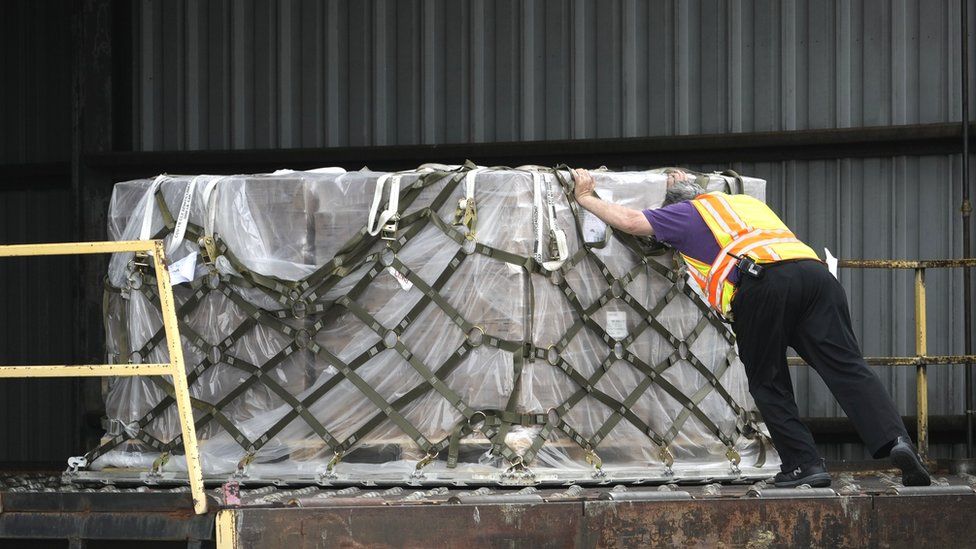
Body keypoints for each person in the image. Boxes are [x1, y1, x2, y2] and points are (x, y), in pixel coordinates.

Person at [571, 167, 931, 488]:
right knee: (847, 367)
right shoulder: (744, 204)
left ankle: (803, 464)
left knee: (767, 379)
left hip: (762, 285)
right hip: (816, 277)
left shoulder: (686, 214)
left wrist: (587, 197)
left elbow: (633, 222)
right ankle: (896, 440)